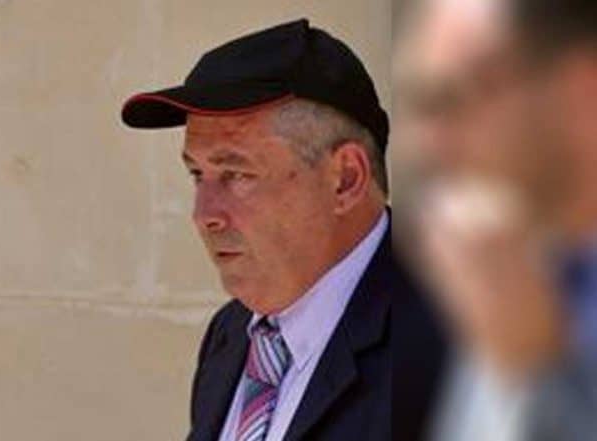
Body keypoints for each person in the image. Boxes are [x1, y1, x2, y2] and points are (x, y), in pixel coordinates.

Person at [121, 19, 445, 441]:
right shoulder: (232, 335)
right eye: (198, 174)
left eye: (237, 175)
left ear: (345, 179)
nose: (204, 214)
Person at [395, 0, 597, 440]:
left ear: (582, 89)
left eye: (451, 100)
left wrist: (540, 370)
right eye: (418, 106)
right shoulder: (503, 266)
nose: (426, 144)